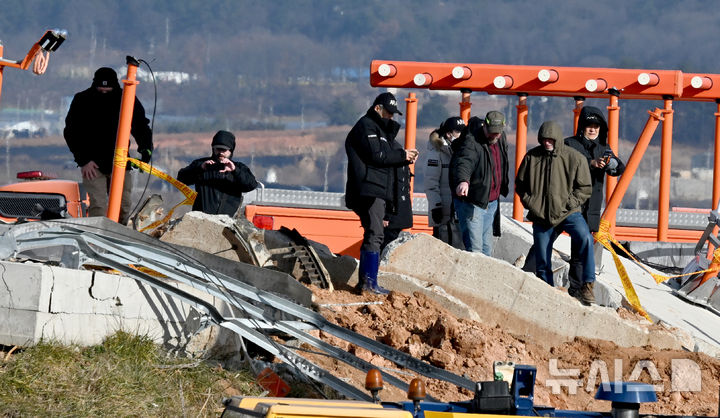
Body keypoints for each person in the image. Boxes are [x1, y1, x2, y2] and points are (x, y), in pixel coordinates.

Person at [345, 92, 418, 294]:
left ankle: (371, 281)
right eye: (388, 112)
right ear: (378, 108)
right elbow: (377, 156)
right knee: (374, 234)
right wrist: (402, 155)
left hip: (377, 190)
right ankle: (368, 283)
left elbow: (385, 161)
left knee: (377, 234)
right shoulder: (366, 126)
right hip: (368, 189)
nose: (391, 118)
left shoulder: (380, 131)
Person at [516, 121, 595, 304]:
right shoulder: (531, 157)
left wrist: (570, 203)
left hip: (569, 213)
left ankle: (589, 284)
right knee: (542, 256)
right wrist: (531, 203)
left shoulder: (574, 158)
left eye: (550, 139)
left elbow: (585, 188)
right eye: (543, 139)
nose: (546, 143)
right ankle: (548, 294)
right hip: (542, 215)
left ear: (557, 139)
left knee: (585, 239)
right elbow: (520, 185)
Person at [63, 67, 153, 225]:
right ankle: (97, 242)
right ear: (94, 84)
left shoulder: (126, 98)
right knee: (98, 206)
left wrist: (145, 148)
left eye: (108, 90)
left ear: (115, 86)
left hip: (120, 161)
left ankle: (118, 240)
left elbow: (140, 126)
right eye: (100, 89)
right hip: (92, 165)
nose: (104, 93)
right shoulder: (82, 99)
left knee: (123, 206)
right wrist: (83, 160)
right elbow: (71, 132)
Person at [564, 106, 626, 298]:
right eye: (588, 125)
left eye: (596, 126)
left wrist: (610, 163)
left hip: (591, 206)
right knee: (573, 243)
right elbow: (564, 163)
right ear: (581, 126)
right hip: (571, 203)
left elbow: (619, 167)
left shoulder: (604, 148)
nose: (592, 129)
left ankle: (579, 287)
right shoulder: (569, 143)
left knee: (582, 246)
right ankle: (574, 286)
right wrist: (590, 163)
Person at [449, 111, 510, 256]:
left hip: (491, 200)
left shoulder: (501, 139)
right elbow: (465, 162)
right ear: (484, 127)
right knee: (475, 249)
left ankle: (484, 278)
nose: (493, 136)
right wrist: (463, 181)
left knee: (486, 248)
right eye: (491, 133)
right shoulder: (472, 141)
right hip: (474, 201)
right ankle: (472, 278)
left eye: (497, 134)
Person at [177, 130, 258, 216]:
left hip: (227, 221)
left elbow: (251, 185)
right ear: (213, 148)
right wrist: (200, 169)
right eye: (218, 149)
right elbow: (181, 178)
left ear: (231, 150)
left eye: (224, 150)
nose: (221, 153)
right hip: (201, 219)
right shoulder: (201, 164)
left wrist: (235, 170)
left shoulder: (239, 167)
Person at [424, 116, 465, 249]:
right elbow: (431, 182)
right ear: (448, 134)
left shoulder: (458, 150)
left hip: (457, 212)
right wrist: (436, 206)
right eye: (458, 132)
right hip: (443, 214)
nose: (462, 135)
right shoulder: (436, 152)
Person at [381, 132, 413, 253]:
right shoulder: (398, 150)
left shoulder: (388, 154)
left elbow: (391, 187)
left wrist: (386, 214)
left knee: (382, 245)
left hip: (392, 213)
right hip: (400, 211)